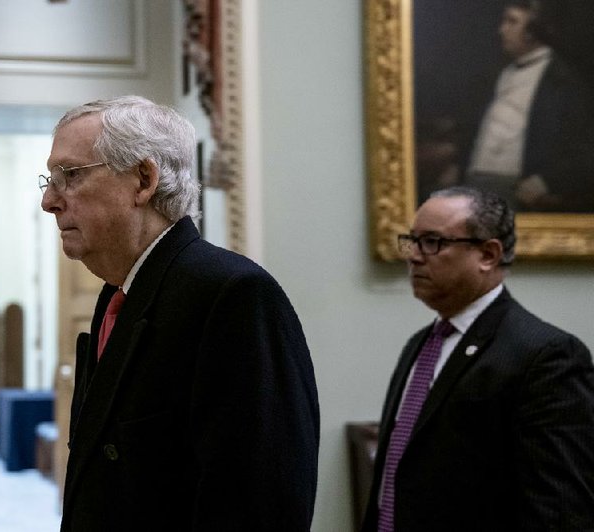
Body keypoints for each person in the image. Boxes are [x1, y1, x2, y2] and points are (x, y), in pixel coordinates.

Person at [40, 95, 320, 531]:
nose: (50, 201)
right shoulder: (118, 292)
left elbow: (261, 506)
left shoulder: (233, 296)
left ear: (143, 180)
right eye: (50, 179)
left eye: (70, 176)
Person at [362, 186, 594, 531]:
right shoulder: (420, 344)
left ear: (488, 254)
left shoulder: (547, 354)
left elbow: (559, 509)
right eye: (412, 241)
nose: (413, 256)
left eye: (433, 242)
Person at [465, 0, 594, 212]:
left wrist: (545, 182)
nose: (502, 29)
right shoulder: (497, 73)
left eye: (512, 22)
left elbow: (584, 150)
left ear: (534, 31)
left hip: (513, 189)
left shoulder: (564, 81)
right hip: (473, 183)